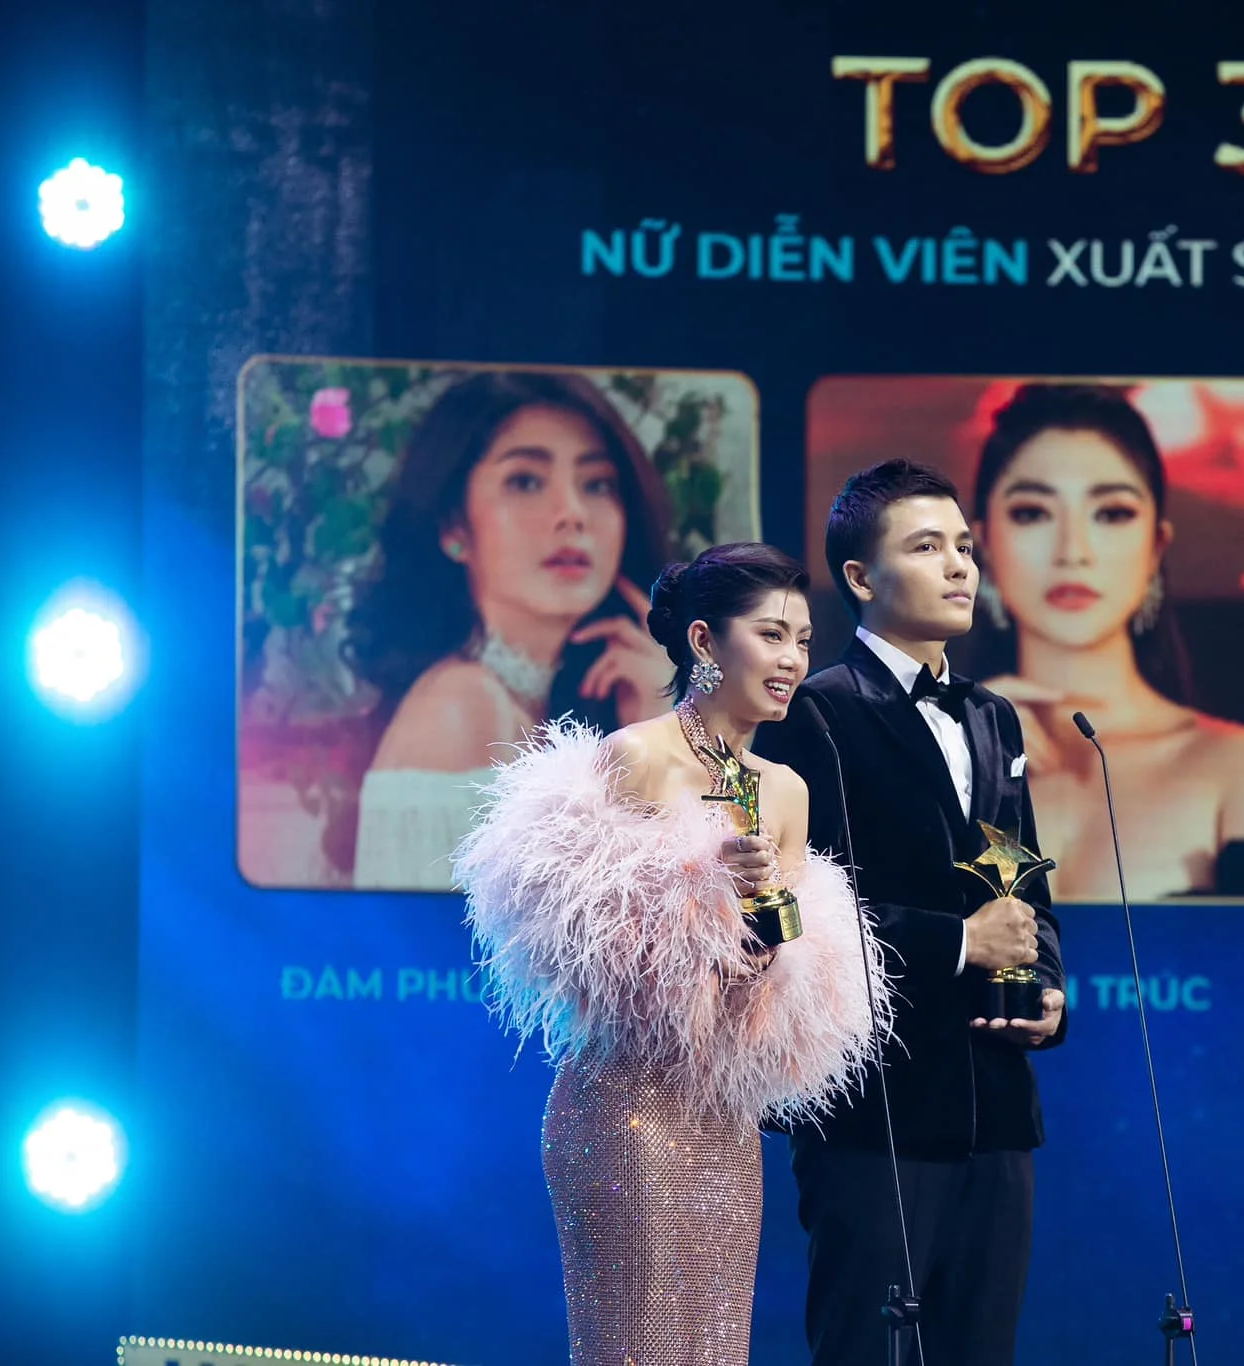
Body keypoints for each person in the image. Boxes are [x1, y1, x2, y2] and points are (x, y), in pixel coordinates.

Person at [453, 542, 891, 1366]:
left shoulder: (785, 789)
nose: (793, 660)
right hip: (628, 1109)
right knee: (635, 1346)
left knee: (716, 1348)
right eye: (771, 635)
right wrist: (700, 903)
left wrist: (766, 939)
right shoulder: (636, 760)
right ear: (702, 641)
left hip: (723, 1119)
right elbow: (597, 954)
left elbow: (781, 977)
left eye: (803, 640)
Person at [754, 459, 1067, 1366]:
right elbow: (801, 911)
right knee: (869, 1350)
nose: (960, 565)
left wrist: (1046, 985)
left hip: (995, 1103)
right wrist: (959, 941)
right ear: (861, 577)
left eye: (964, 545)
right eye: (927, 547)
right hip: (875, 1104)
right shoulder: (814, 712)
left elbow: (1026, 885)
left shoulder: (996, 717)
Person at [967, 383, 1244, 899]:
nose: (1073, 551)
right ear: (984, 547)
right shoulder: (943, 760)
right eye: (1032, 513)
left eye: (1111, 513)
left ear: (1156, 546)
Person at [344, 370, 678, 889]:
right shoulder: (462, 705)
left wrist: (655, 725)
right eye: (525, 481)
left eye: (597, 484)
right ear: (454, 527)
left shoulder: (552, 702)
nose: (572, 514)